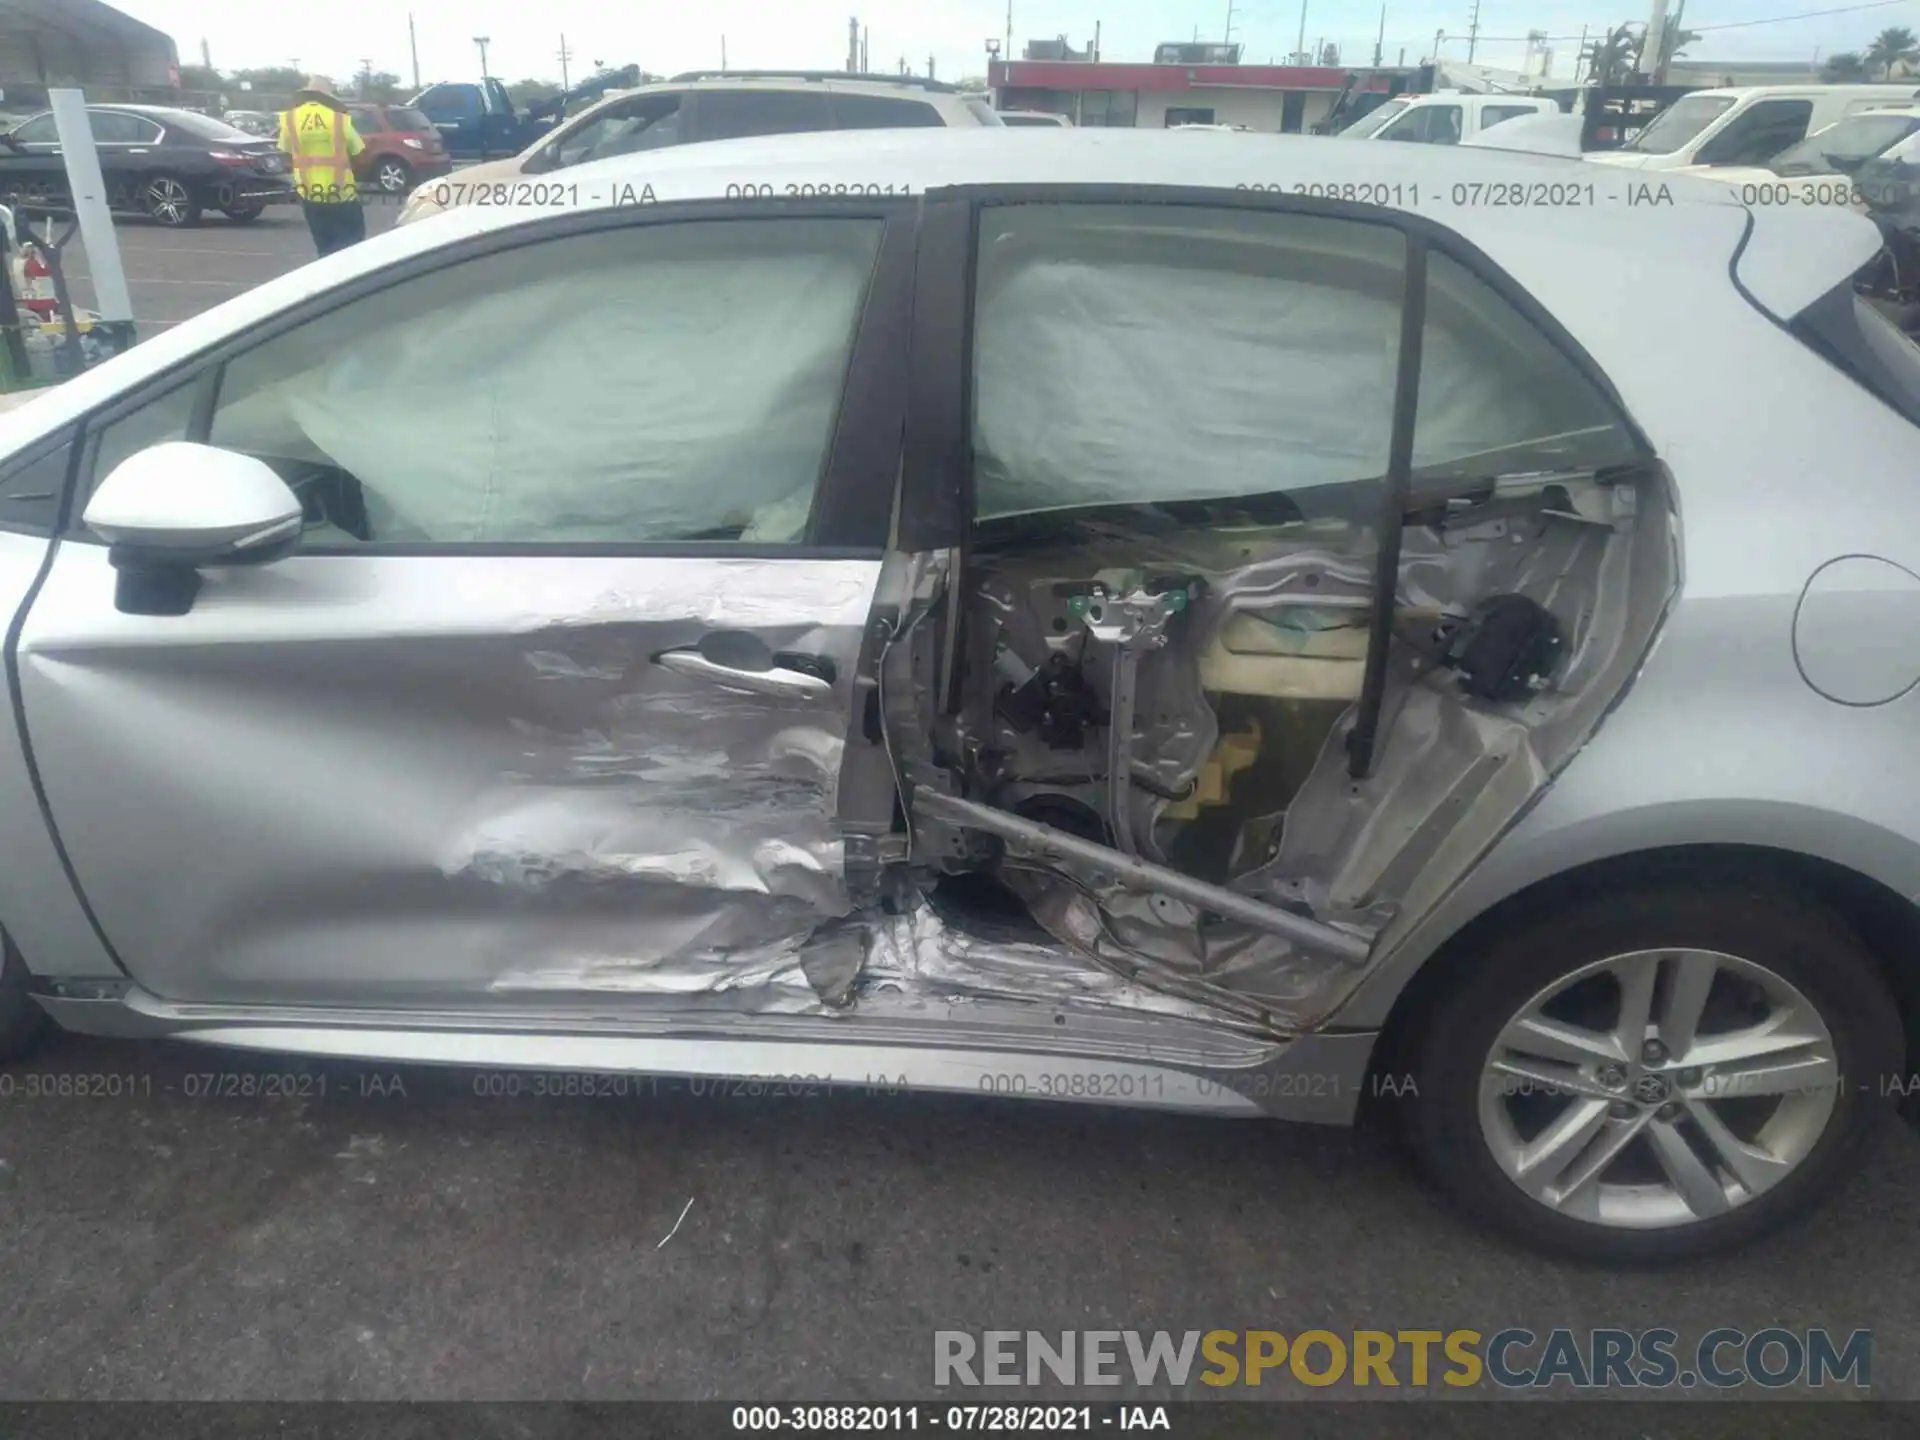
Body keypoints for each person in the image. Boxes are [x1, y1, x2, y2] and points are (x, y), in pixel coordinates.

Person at [279, 76, 367, 257]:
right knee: (353, 249)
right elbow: (359, 154)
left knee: (324, 248)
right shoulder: (338, 119)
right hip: (342, 195)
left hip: (310, 195)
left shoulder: (290, 120)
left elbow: (287, 154)